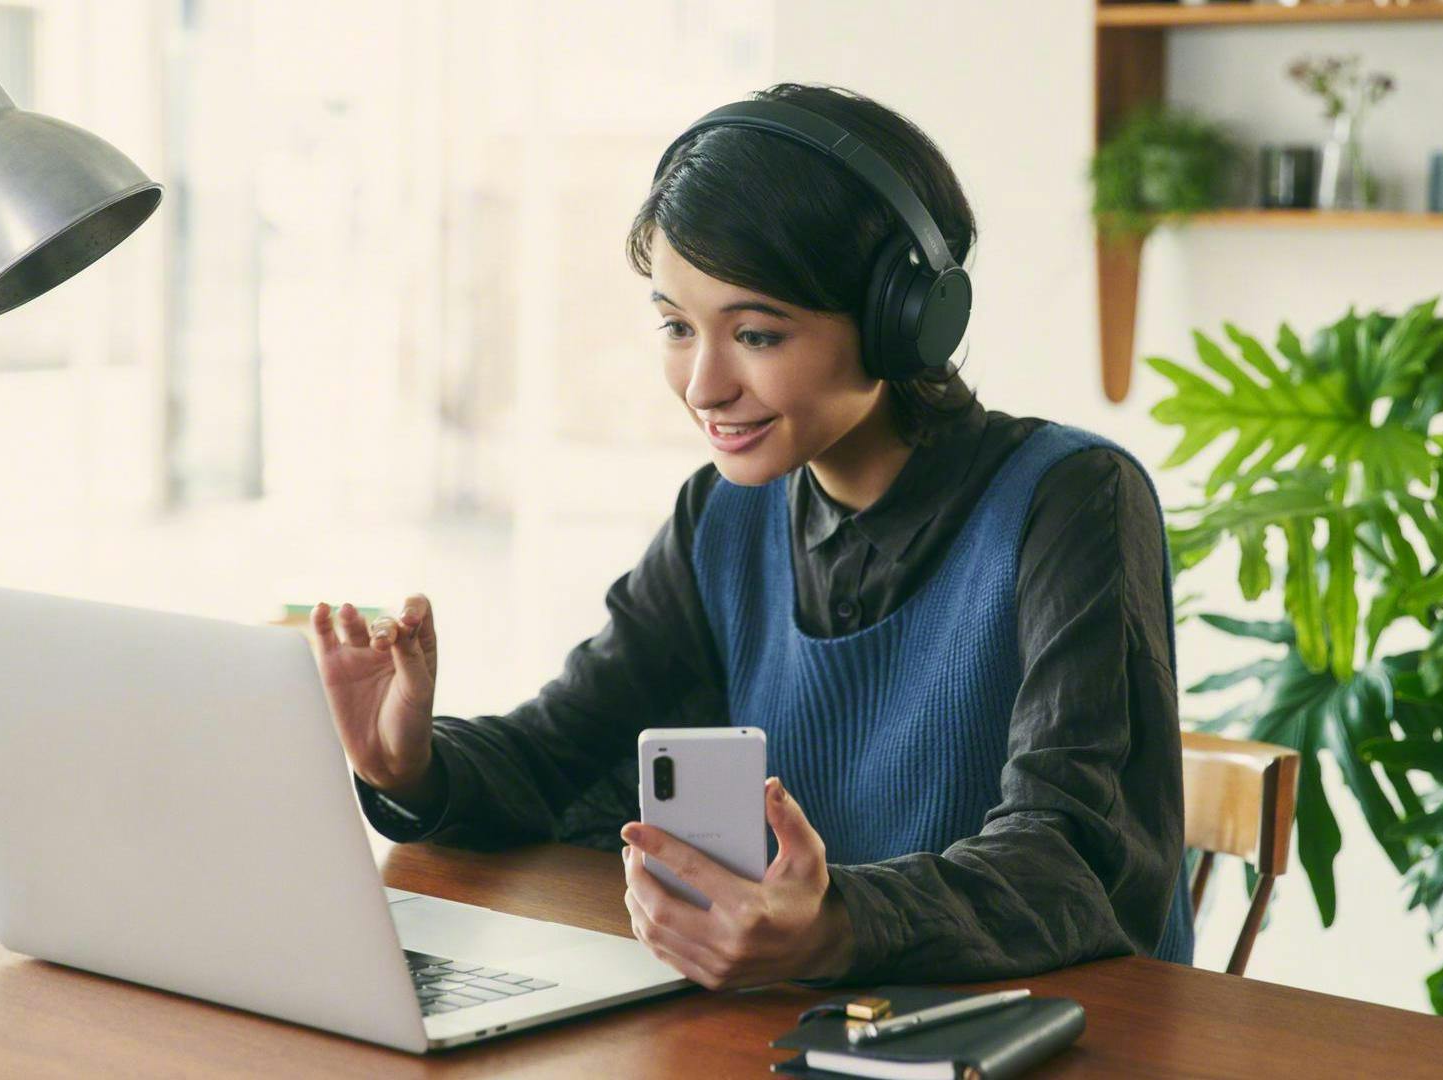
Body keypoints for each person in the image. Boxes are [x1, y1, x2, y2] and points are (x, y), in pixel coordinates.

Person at [311, 82, 1194, 991]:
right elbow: (564, 754)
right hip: (799, 1027)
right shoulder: (724, 516)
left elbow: (1082, 861)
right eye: (675, 327)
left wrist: (834, 927)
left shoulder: (1072, 500)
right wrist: (412, 766)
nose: (702, 385)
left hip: (1041, 1035)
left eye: (758, 334)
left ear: (905, 322)